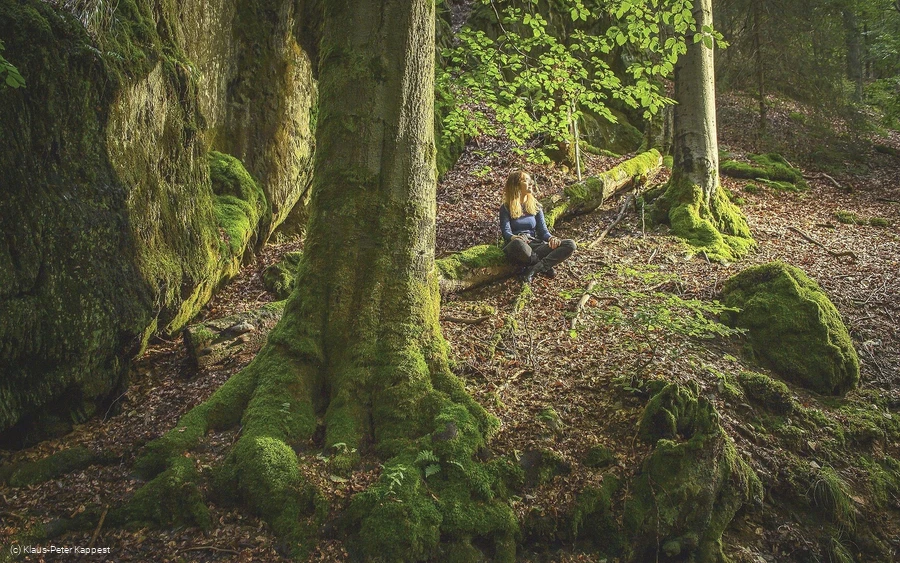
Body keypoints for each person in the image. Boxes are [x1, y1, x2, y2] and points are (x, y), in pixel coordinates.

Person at [499, 170, 576, 283]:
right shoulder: (506, 208)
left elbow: (543, 231)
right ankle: (544, 266)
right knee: (518, 245)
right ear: (516, 185)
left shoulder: (536, 206)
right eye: (526, 180)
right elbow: (506, 232)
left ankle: (535, 269)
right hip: (517, 247)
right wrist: (514, 237)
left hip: (535, 245)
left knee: (570, 244)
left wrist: (551, 238)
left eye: (530, 181)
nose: (531, 183)